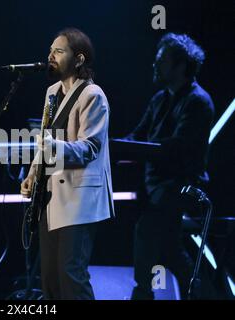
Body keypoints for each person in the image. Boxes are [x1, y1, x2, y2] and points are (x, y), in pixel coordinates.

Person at [20, 28, 114, 300]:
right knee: (49, 278)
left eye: (59, 51)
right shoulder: (51, 92)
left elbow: (90, 147)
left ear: (79, 59)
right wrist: (33, 173)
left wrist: (51, 147)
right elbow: (46, 138)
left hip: (79, 198)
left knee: (70, 274)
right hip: (51, 197)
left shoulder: (93, 95)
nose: (50, 56)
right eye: (50, 50)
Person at [125, 33, 214, 300]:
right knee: (171, 250)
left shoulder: (198, 102)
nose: (154, 64)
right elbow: (137, 136)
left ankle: (143, 294)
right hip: (158, 189)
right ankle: (200, 294)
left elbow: (177, 149)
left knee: (149, 230)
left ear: (180, 65)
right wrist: (107, 147)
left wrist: (132, 150)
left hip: (183, 187)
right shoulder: (160, 99)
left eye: (161, 61)